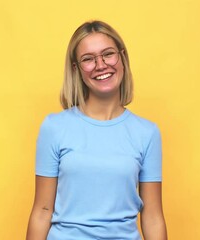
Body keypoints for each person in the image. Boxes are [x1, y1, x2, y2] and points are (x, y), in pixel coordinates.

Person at [26, 20, 167, 240]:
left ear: (122, 58)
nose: (100, 65)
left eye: (108, 54)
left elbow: (153, 216)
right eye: (88, 59)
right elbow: (42, 211)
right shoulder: (54, 127)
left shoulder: (146, 133)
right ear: (77, 69)